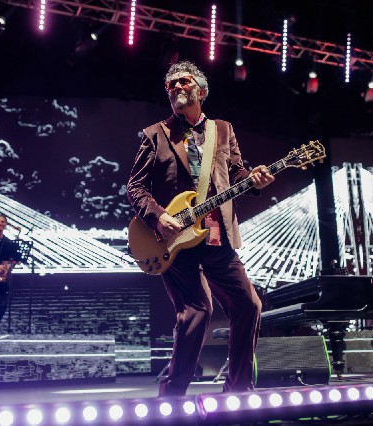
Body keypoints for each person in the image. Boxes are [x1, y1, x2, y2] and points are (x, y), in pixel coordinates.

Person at [126, 60, 275, 396]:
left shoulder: (223, 130)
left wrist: (255, 179)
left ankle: (238, 390)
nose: (177, 87)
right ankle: (173, 393)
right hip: (174, 238)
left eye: (184, 81)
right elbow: (135, 187)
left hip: (217, 235)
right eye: (171, 84)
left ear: (201, 91)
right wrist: (158, 215)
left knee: (249, 305)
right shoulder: (156, 134)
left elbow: (237, 173)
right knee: (196, 311)